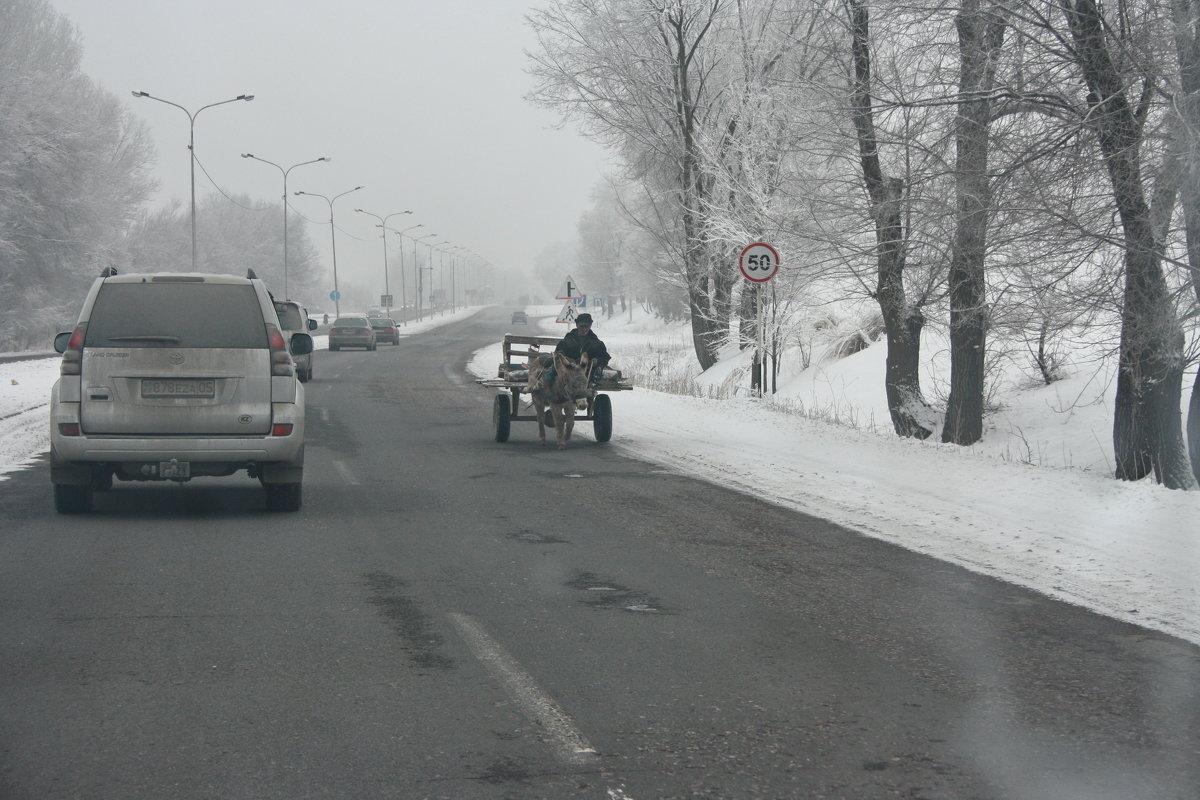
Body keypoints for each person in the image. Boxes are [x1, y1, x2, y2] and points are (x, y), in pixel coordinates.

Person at [543, 313, 611, 386]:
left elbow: (604, 357)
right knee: (553, 373)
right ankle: (545, 384)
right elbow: (558, 352)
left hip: (588, 373)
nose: (584, 329)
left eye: (587, 326)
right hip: (568, 371)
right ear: (577, 325)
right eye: (582, 326)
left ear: (590, 326)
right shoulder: (567, 340)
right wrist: (562, 355)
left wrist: (596, 361)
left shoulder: (596, 343)